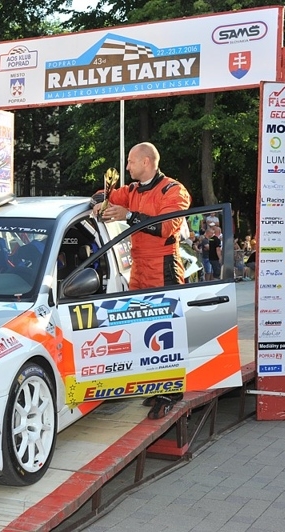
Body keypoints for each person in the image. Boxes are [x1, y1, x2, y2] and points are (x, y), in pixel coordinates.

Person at [92, 142, 191, 420]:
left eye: (131, 162)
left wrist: (128, 215)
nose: (127, 167)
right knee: (141, 328)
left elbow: (165, 227)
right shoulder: (133, 190)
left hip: (164, 264)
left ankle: (171, 392)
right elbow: (103, 194)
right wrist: (100, 203)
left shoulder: (174, 190)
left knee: (166, 331)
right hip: (138, 267)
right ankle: (155, 384)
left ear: (146, 162)